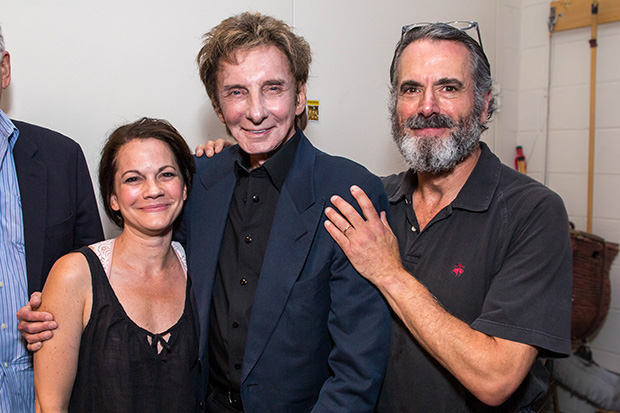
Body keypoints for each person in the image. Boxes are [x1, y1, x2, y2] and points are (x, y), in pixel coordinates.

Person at [19, 12, 391, 412]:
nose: (256, 111)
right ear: (217, 105)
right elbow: (146, 266)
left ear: (300, 94)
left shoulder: (348, 191)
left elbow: (356, 369)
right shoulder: (201, 181)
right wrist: (59, 311)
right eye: (236, 92)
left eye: (273, 88)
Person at [322, 22, 572, 412]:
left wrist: (389, 273)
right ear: (395, 106)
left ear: (485, 103)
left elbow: (495, 378)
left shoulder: (533, 212)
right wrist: (224, 162)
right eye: (411, 89)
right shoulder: (373, 201)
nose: (426, 107)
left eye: (448, 87)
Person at [33, 117, 198, 412]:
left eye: (167, 174)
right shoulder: (75, 274)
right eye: (133, 179)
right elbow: (49, 406)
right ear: (112, 198)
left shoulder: (200, 268)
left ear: (185, 187)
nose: (153, 190)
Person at [0, 24, 103, 412]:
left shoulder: (62, 158)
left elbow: (98, 283)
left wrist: (59, 307)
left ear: (4, 69)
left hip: (48, 391)